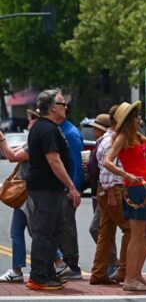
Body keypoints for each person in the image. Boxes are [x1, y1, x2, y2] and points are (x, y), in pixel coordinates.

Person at [103, 101, 146, 291]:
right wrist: (126, 175)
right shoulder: (122, 137)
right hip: (134, 189)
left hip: (143, 187)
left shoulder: (137, 136)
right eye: (136, 116)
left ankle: (135, 273)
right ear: (129, 120)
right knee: (137, 234)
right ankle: (130, 278)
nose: (140, 118)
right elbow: (107, 162)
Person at [26, 89, 81, 290]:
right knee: (44, 232)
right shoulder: (46, 129)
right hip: (45, 188)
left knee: (56, 230)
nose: (65, 107)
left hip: (51, 189)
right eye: (61, 104)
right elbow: (54, 161)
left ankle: (48, 273)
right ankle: (38, 277)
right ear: (51, 107)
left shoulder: (48, 127)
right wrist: (72, 187)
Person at [90, 110, 130, 285]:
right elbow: (107, 169)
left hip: (107, 190)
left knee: (105, 233)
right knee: (130, 230)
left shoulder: (108, 139)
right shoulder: (111, 140)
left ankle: (99, 273)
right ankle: (124, 271)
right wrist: (112, 193)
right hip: (112, 189)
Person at [0, 109, 38, 283]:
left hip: (27, 193)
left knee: (35, 232)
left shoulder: (37, 141)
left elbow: (12, 156)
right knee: (22, 231)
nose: (28, 122)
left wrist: (2, 139)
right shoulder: (33, 139)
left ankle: (59, 261)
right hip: (27, 193)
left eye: (31, 119)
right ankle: (17, 268)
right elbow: (14, 150)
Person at [58, 110, 84, 280]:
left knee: (67, 226)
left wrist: (73, 188)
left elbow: (78, 163)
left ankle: (72, 265)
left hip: (67, 189)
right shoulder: (60, 130)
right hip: (59, 188)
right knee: (60, 226)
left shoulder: (70, 133)